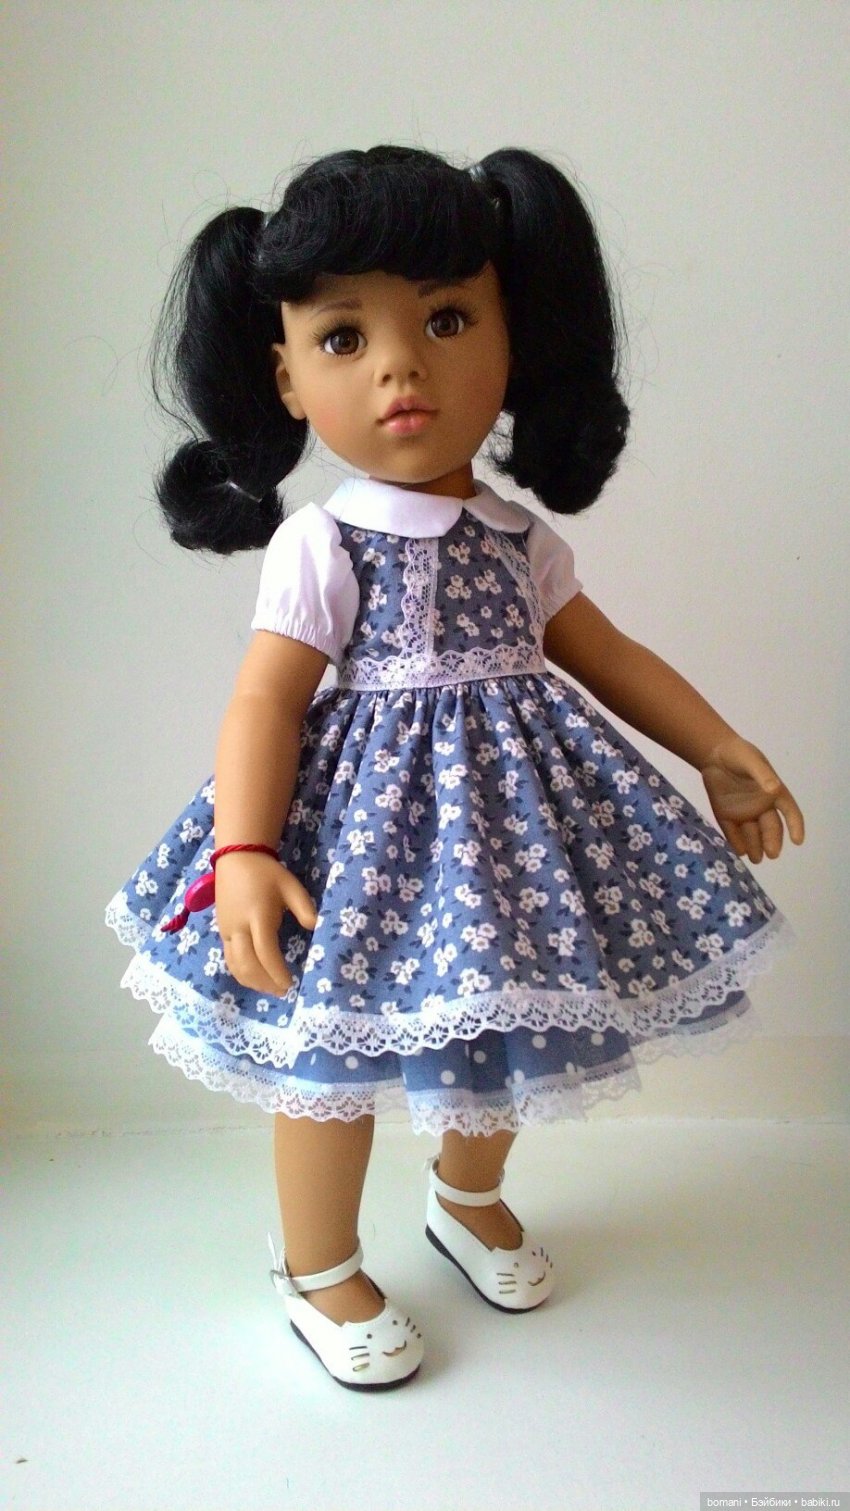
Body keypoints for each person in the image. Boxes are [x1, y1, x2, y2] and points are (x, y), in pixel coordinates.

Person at [105, 144, 805, 1391]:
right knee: (328, 1054)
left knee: (495, 1025)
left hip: (508, 833)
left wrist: (715, 747)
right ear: (284, 374)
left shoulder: (518, 537)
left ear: (510, 334)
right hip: (361, 839)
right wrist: (245, 848)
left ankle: (464, 1197)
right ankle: (317, 1264)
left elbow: (606, 653)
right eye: (342, 336)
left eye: (444, 319)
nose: (399, 366)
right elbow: (265, 698)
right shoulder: (326, 540)